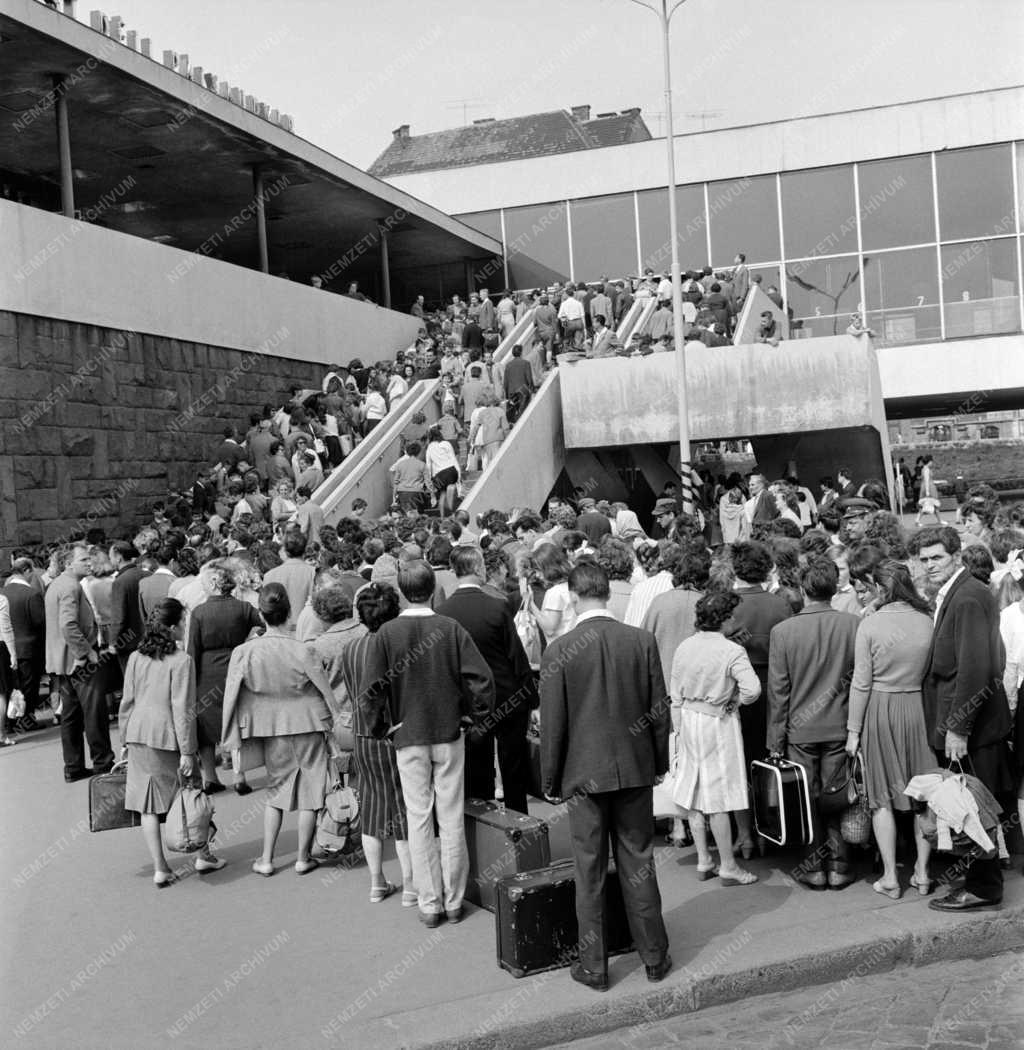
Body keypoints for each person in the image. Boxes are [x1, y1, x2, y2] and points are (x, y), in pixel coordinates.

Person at [540, 562, 672, 991]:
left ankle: (594, 966)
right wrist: (658, 763)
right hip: (634, 768)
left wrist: (550, 779)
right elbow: (658, 710)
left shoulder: (559, 649)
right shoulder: (640, 640)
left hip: (583, 774)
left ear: (574, 597)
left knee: (589, 871)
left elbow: (553, 725)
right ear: (605, 593)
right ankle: (654, 955)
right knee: (640, 862)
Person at [362, 561, 494, 927]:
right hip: (449, 732)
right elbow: (482, 679)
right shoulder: (450, 628)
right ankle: (454, 900)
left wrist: (380, 728)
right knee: (450, 817)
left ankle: (430, 901)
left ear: (403, 591)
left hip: (408, 734)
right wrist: (474, 715)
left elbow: (372, 691)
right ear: (434, 587)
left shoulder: (387, 634)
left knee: (419, 819)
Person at [912, 526, 1014, 911]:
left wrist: (958, 727)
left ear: (955, 555)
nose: (929, 565)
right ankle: (979, 880)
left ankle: (984, 888)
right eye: (923, 559)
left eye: (936, 557)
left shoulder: (968, 596)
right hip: (969, 720)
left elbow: (977, 668)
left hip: (969, 725)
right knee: (970, 803)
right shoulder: (962, 592)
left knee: (970, 807)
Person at [222, 584, 337, 876]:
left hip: (269, 725)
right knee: (313, 788)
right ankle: (302, 857)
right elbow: (325, 690)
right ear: (288, 613)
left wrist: (230, 735)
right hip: (308, 721)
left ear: (261, 614)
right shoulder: (302, 649)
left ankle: (267, 858)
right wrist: (337, 717)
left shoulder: (244, 652)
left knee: (276, 789)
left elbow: (231, 695)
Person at [844, 560, 935, 899]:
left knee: (881, 796)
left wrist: (853, 731)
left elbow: (860, 683)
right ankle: (923, 874)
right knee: (922, 792)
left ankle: (890, 877)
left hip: (880, 711)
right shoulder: (927, 621)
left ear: (880, 589)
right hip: (917, 707)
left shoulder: (870, 623)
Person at [767, 558, 859, 889]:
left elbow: (779, 692)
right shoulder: (853, 624)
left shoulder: (783, 631)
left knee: (805, 798)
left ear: (803, 589)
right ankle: (839, 864)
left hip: (799, 729)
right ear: (834, 588)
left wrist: (775, 741)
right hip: (841, 725)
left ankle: (814, 866)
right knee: (836, 796)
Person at [120, 598, 225, 886]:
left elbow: (127, 701)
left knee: (148, 805)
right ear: (173, 625)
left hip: (138, 733)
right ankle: (203, 854)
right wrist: (189, 751)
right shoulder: (182, 661)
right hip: (168, 737)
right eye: (182, 621)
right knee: (190, 794)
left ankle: (161, 868)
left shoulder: (135, 658)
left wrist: (123, 738)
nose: (185, 626)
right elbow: (183, 709)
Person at [330, 583, 415, 904]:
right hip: (395, 734)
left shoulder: (350, 649)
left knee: (373, 810)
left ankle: (377, 882)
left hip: (363, 737)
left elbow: (353, 695)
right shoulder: (397, 646)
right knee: (404, 811)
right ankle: (410, 886)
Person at [437, 547, 538, 813]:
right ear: (480, 568)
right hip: (507, 695)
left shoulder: (444, 612)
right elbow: (515, 655)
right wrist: (531, 695)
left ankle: (481, 824)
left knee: (476, 769)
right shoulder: (496, 606)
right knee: (513, 767)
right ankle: (518, 820)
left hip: (470, 702)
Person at [670, 589, 760, 885]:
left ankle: (704, 859)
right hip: (717, 721)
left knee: (693, 789)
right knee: (718, 794)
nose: (736, 618)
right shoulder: (732, 650)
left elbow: (675, 694)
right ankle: (728, 865)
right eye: (732, 614)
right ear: (723, 619)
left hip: (689, 719)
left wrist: (679, 727)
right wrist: (734, 701)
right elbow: (753, 690)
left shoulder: (684, 646)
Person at [187, 561, 263, 795]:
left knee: (205, 728)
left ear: (213, 584)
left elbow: (192, 649)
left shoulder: (199, 612)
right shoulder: (243, 607)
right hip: (236, 667)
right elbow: (265, 625)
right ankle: (240, 776)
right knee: (234, 722)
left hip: (207, 672)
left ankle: (211, 777)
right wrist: (251, 642)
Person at [45, 543, 114, 781]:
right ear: (68, 563)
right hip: (79, 661)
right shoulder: (70, 586)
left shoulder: (58, 584)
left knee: (71, 715)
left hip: (63, 663)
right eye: (84, 560)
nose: (89, 563)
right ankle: (103, 762)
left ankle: (73, 766)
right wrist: (86, 653)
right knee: (94, 712)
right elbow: (68, 625)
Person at [263, 529, 315, 631]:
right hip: (306, 632)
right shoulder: (313, 573)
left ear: (285, 550)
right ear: (304, 549)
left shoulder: (269, 575)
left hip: (279, 634)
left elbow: (267, 609)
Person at [425, 425, 461, 518]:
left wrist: (430, 480)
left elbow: (428, 466)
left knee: (442, 495)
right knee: (451, 490)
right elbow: (454, 459)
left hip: (440, 475)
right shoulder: (446, 443)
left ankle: (443, 518)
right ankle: (453, 512)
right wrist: (459, 475)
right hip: (451, 470)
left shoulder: (429, 448)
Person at [389, 442, 430, 513]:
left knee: (410, 511)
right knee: (412, 512)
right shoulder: (404, 460)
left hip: (406, 491)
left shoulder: (407, 460)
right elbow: (392, 470)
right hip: (412, 491)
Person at [503, 345, 534, 425]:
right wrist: (532, 389)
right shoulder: (526, 363)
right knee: (523, 413)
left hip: (511, 392)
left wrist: (506, 395)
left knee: (513, 414)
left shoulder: (508, 365)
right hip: (523, 391)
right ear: (521, 352)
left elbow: (505, 381)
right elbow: (529, 379)